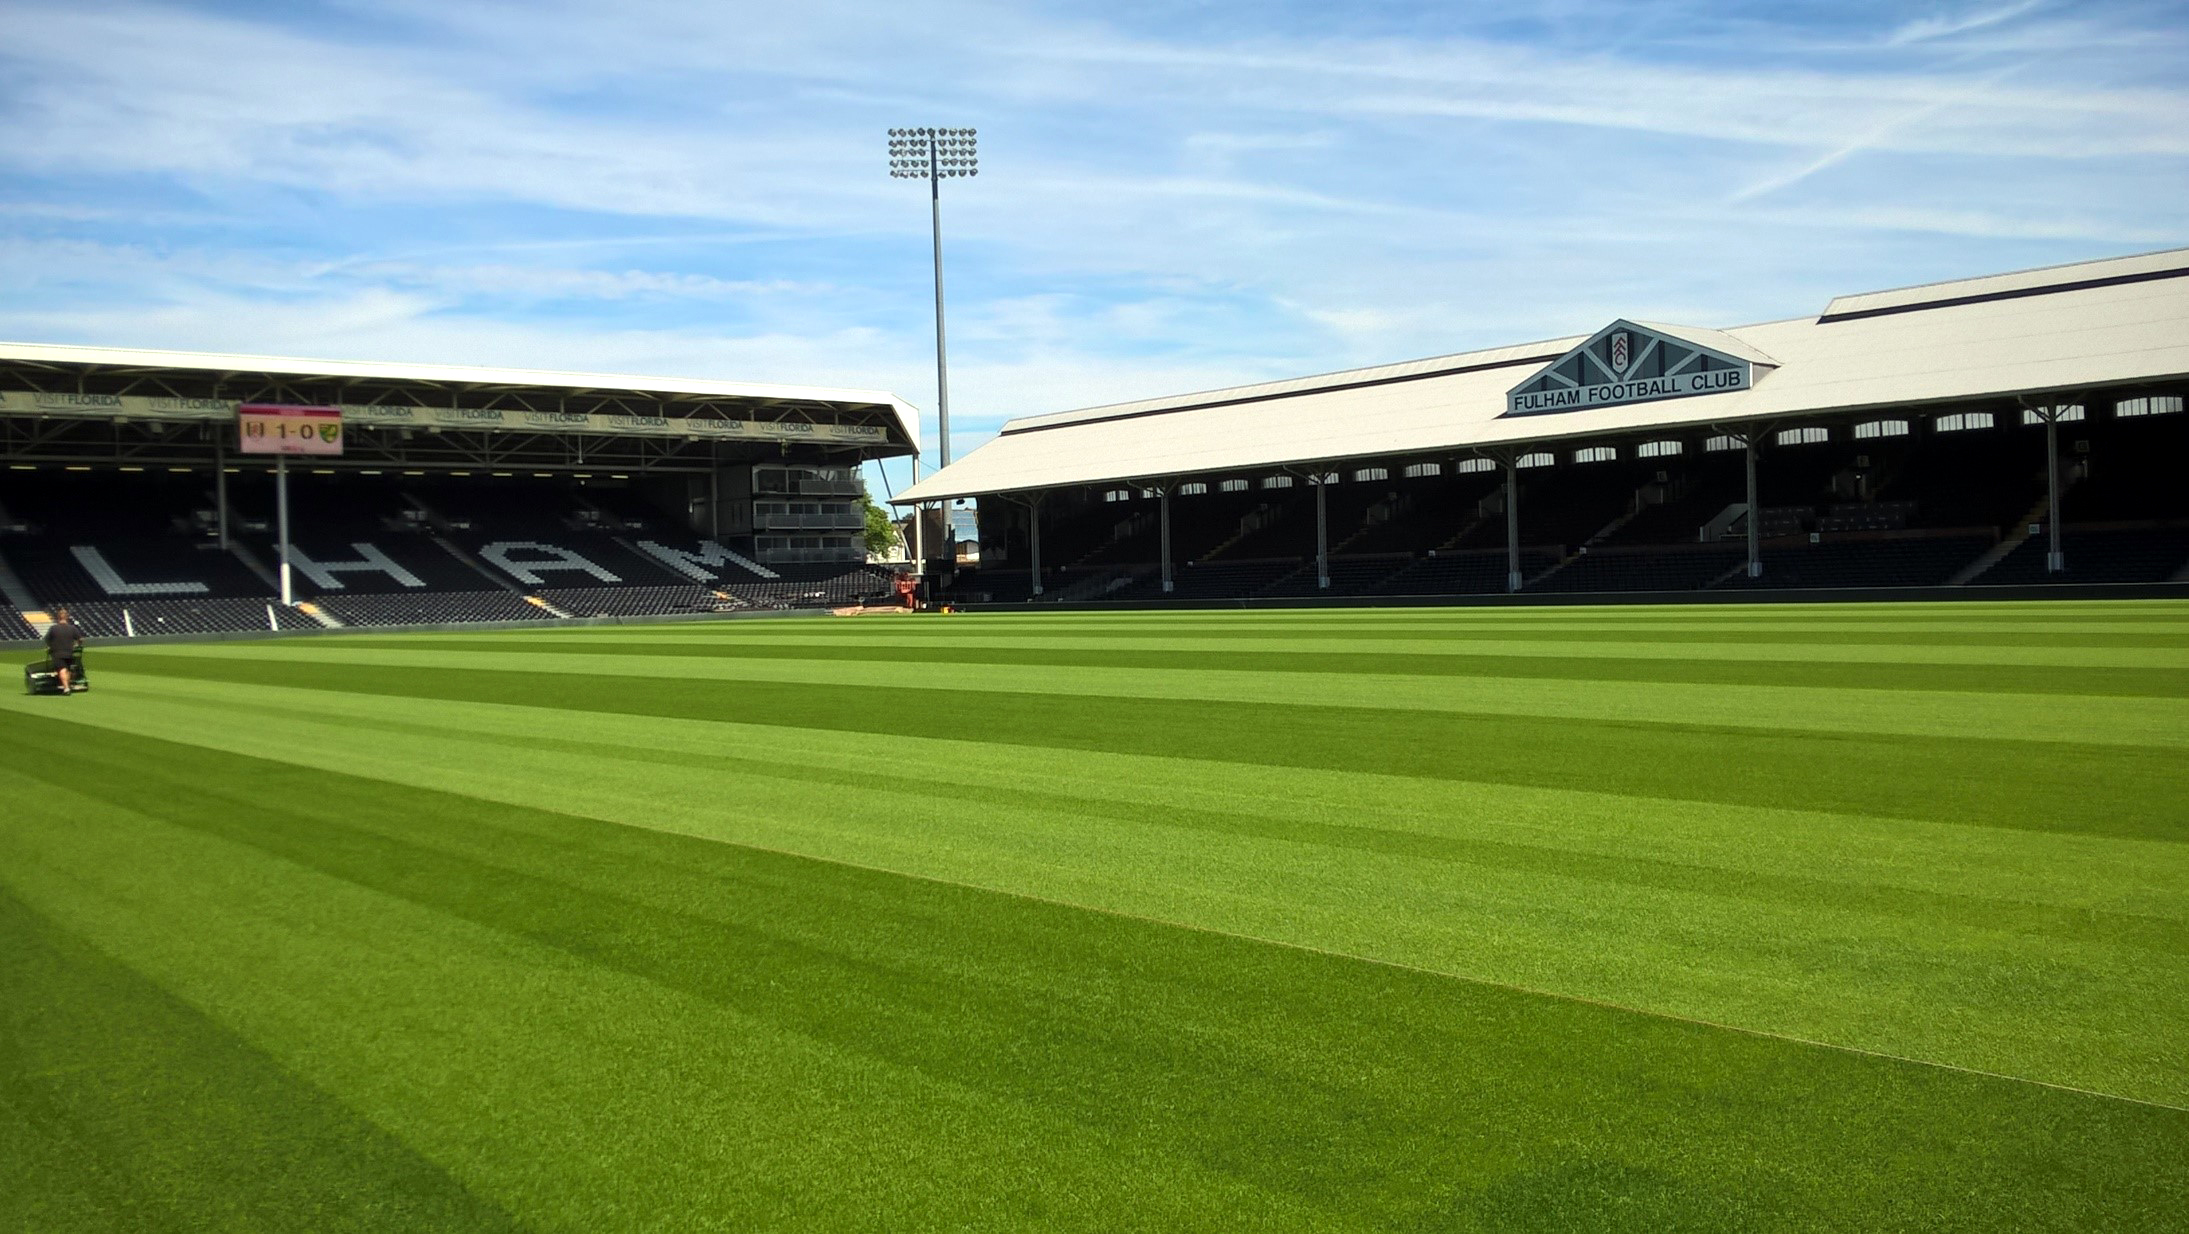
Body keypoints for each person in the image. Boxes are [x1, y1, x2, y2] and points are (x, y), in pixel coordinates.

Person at [44, 606, 85, 694]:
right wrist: (78, 645)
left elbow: (47, 640)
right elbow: (80, 639)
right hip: (69, 652)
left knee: (61, 669)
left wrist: (49, 646)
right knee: (68, 669)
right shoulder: (72, 628)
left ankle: (66, 687)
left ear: (58, 617)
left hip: (57, 653)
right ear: (67, 617)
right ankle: (68, 685)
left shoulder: (53, 628)